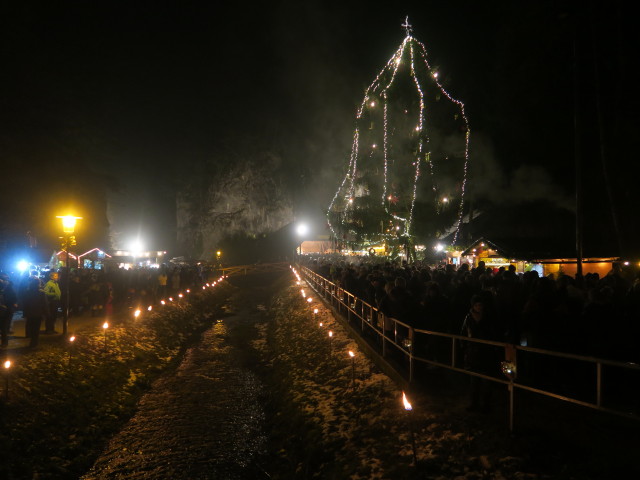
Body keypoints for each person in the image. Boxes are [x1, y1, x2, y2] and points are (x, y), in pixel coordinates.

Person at [460, 294, 497, 412]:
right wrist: (464, 346)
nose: (479, 307)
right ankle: (474, 403)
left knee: (486, 380)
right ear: (473, 306)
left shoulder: (488, 317)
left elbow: (492, 332)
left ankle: (486, 404)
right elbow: (463, 333)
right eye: (476, 305)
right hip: (473, 352)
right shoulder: (469, 318)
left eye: (480, 305)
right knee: (474, 380)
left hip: (485, 351)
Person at [22, 277, 48, 347]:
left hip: (30, 313)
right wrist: (46, 313)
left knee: (31, 327)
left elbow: (25, 303)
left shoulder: (27, 292)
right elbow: (44, 304)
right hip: (38, 313)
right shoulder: (41, 293)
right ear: (38, 284)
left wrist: (25, 313)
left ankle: (31, 341)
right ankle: (34, 342)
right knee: (36, 329)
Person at [0, 273, 19, 347]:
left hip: (5, 310)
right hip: (6, 309)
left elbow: (13, 298)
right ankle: (4, 343)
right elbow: (14, 298)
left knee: (4, 327)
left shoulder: (8, 289)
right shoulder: (9, 288)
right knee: (4, 327)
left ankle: (5, 343)